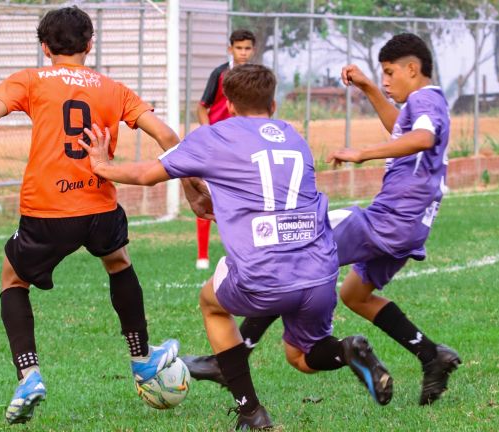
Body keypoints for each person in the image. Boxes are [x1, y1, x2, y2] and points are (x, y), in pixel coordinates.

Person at [78, 64, 393, 430]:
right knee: (300, 355)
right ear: (273, 104)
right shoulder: (294, 137)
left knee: (211, 304)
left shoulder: (217, 136)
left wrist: (102, 165)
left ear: (227, 104)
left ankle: (250, 411)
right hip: (320, 269)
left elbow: (147, 175)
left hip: (263, 272)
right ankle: (347, 349)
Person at [0, 7, 208, 424]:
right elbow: (169, 137)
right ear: (90, 43)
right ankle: (140, 358)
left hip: (47, 209)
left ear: (45, 48)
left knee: (13, 278)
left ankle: (29, 374)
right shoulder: (112, 88)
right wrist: (191, 187)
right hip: (100, 205)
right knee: (118, 262)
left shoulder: (30, 79)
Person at [182, 33, 462, 407]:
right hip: (409, 228)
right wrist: (368, 90)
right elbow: (405, 129)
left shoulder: (424, 98)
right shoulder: (430, 102)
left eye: (390, 73)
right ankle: (431, 355)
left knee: (292, 244)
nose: (386, 81)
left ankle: (229, 358)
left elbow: (422, 138)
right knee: (354, 295)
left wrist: (363, 152)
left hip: (387, 220)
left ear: (414, 69)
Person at [194, 29, 256, 270]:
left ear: (253, 50)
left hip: (244, 145)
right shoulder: (220, 73)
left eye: (247, 48)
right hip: (218, 144)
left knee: (246, 195)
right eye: (238, 48)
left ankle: (246, 249)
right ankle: (202, 255)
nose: (243, 52)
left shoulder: (255, 76)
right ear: (230, 49)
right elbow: (202, 107)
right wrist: (209, 134)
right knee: (206, 193)